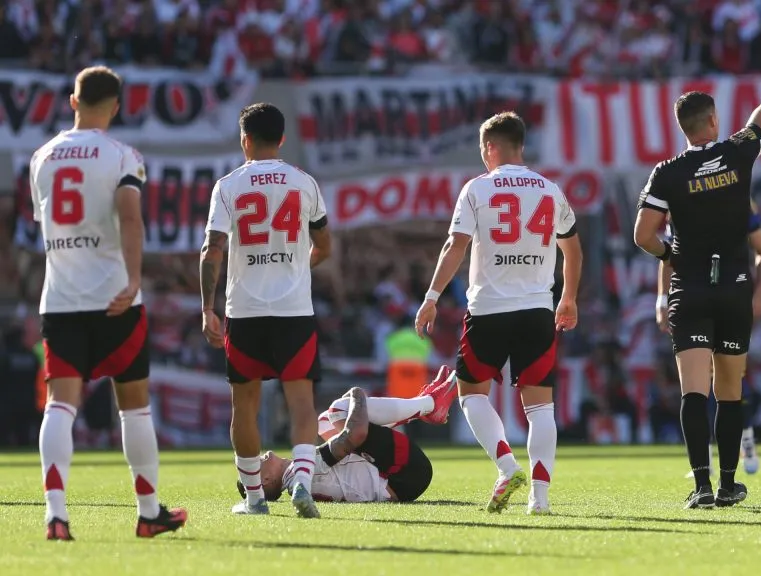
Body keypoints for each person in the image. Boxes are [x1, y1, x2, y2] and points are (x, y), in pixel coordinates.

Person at [633, 30, 761, 509]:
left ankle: (702, 487)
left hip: (689, 288)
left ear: (682, 126)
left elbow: (642, 236)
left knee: (693, 390)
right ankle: (731, 484)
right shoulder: (737, 150)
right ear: (712, 120)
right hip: (734, 286)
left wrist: (670, 259)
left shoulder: (666, 172)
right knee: (730, 390)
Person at [29, 66, 187, 540]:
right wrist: (135, 278)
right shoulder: (122, 156)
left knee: (60, 404)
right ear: (116, 106)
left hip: (60, 296)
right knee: (134, 406)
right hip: (116, 296)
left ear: (73, 101)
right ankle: (148, 511)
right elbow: (130, 219)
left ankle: (55, 514)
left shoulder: (42, 157)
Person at [414, 111, 583, 515]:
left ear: (490, 147)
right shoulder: (549, 190)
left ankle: (507, 467)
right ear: (520, 145)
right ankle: (539, 500)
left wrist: (432, 296)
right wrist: (569, 298)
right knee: (541, 407)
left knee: (469, 394)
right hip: (537, 309)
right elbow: (572, 250)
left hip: (488, 309)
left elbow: (455, 245)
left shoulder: (477, 188)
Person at [200, 102, 332, 519]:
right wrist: (297, 267)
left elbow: (212, 250)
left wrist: (208, 307)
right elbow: (325, 246)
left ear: (245, 141)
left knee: (245, 406)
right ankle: (302, 484)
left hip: (246, 310)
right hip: (294, 309)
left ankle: (256, 499)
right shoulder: (305, 183)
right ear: (282, 139)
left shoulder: (228, 185)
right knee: (302, 404)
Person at [657, 199, 761, 477]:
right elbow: (670, 254)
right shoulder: (682, 192)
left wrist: (759, 294)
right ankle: (704, 456)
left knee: (731, 378)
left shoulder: (741, 200)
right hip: (695, 299)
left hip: (730, 296)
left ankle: (746, 440)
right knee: (699, 380)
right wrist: (662, 298)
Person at [242, 368, 458, 504]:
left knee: (325, 422)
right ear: (266, 480)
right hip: (404, 474)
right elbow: (355, 434)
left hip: (397, 480)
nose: (257, 457)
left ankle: (424, 406)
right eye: (255, 466)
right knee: (339, 411)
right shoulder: (298, 472)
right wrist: (357, 393)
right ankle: (428, 404)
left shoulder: (296, 478)